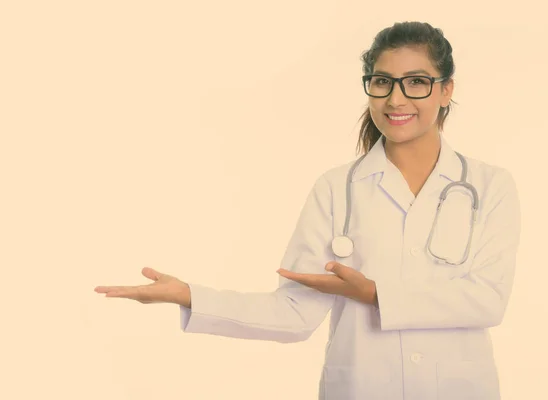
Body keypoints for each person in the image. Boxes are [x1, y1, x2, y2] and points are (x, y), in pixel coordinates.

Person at [94, 21, 521, 400]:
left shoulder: (489, 186)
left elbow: (486, 301)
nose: (396, 98)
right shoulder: (337, 189)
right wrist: (190, 296)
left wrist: (373, 294)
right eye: (382, 82)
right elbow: (294, 314)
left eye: (416, 82)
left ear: (446, 90)